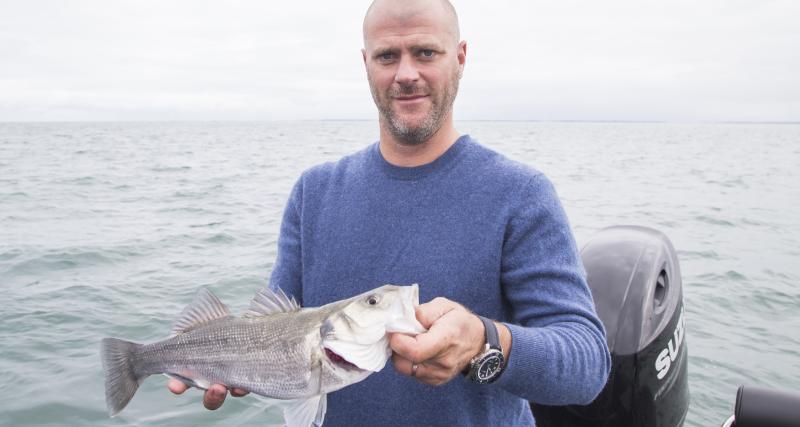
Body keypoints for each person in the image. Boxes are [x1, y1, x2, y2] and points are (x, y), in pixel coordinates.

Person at [169, 0, 611, 424]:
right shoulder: (314, 191)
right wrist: (232, 364)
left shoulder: (521, 194)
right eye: (387, 56)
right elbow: (275, 331)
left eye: (425, 52)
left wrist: (483, 342)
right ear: (366, 64)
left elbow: (587, 365)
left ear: (460, 58)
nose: (406, 73)